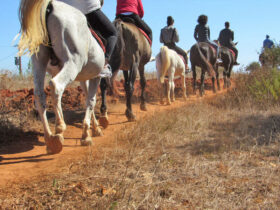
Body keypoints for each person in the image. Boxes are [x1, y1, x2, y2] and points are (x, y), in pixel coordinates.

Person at [54, 0, 117, 71]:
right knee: (112, 33)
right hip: (87, 8)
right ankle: (104, 65)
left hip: (62, 8)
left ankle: (53, 56)